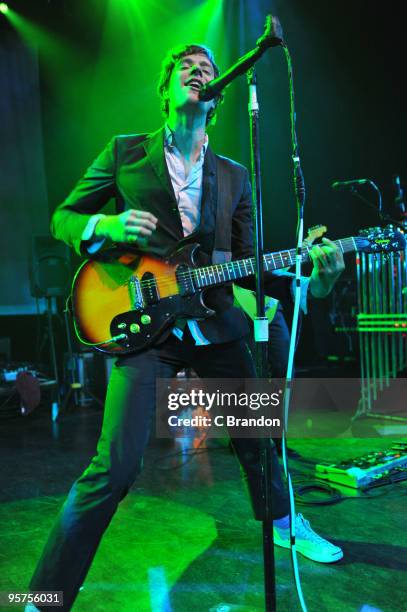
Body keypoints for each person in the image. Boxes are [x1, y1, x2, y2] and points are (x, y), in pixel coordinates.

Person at [27, 44, 345, 611]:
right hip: (145, 325)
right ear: (165, 88)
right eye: (186, 67)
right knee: (114, 467)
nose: (200, 70)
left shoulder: (235, 176)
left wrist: (313, 283)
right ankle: (44, 595)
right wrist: (107, 222)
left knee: (259, 442)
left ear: (219, 98)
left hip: (216, 323)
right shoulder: (125, 152)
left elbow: (251, 264)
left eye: (207, 67)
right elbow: (62, 217)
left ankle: (284, 525)